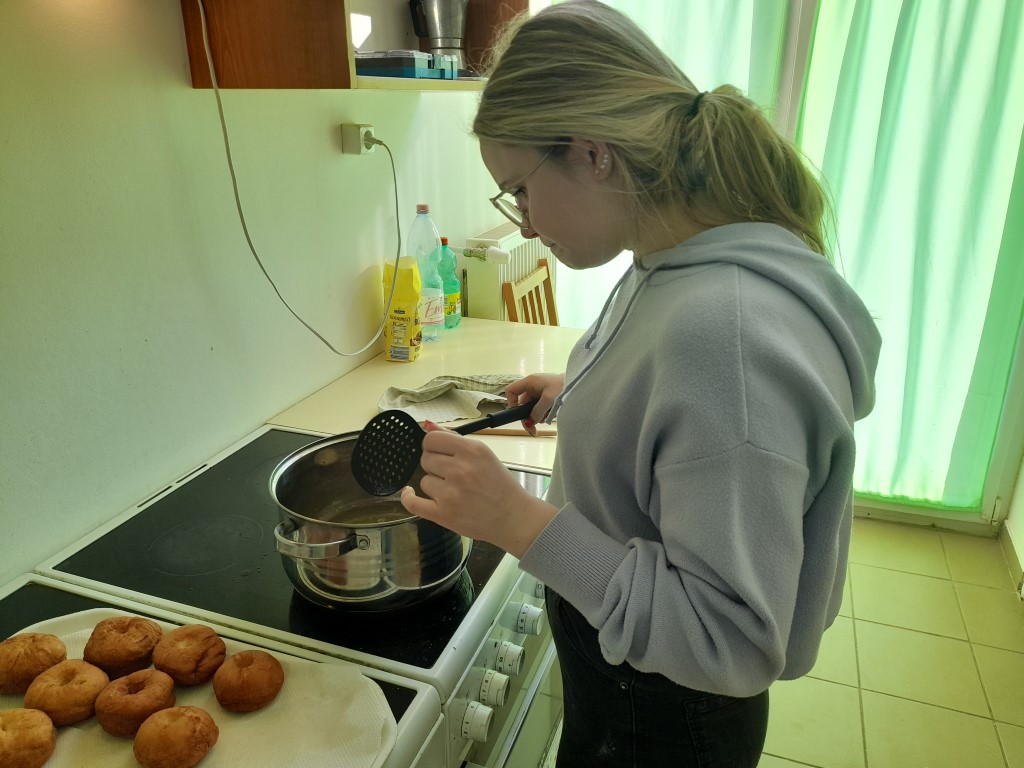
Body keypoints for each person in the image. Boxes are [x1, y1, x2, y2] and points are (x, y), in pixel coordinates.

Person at [399, 1, 881, 765]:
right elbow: (678, 401)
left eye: (518, 189)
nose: (523, 224)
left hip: (665, 713)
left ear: (592, 153)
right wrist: (591, 389)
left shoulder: (724, 336)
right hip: (626, 674)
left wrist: (517, 521)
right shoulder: (668, 256)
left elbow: (727, 640)